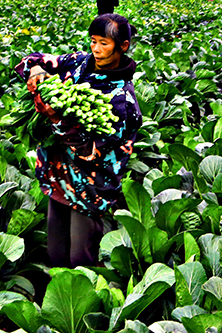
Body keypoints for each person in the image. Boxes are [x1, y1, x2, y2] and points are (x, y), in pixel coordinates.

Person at [15, 14, 142, 268]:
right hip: (58, 177)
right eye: (93, 41)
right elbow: (32, 61)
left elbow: (90, 152)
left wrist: (57, 119)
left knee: (80, 259)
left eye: (104, 43)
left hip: (89, 187)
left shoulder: (123, 102)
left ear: (123, 46)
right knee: (56, 252)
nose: (95, 49)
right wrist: (37, 70)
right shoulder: (78, 63)